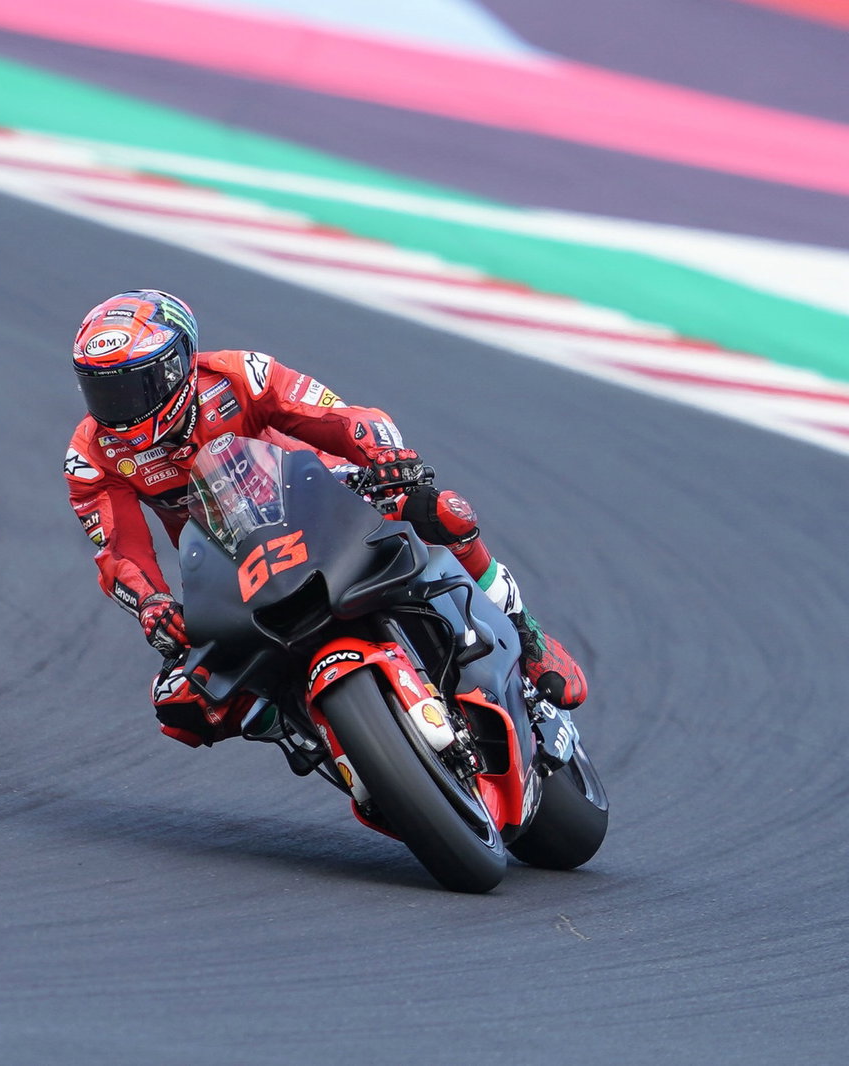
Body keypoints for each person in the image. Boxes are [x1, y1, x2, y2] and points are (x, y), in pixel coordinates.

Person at [63, 289, 587, 752]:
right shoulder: (90, 456)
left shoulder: (239, 375)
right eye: (101, 391)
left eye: (132, 387)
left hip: (327, 501)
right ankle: (304, 733)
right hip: (229, 563)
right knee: (182, 703)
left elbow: (336, 415)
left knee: (443, 512)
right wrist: (151, 602)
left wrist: (384, 454)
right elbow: (120, 550)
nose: (118, 409)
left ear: (176, 366)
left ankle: (528, 634)